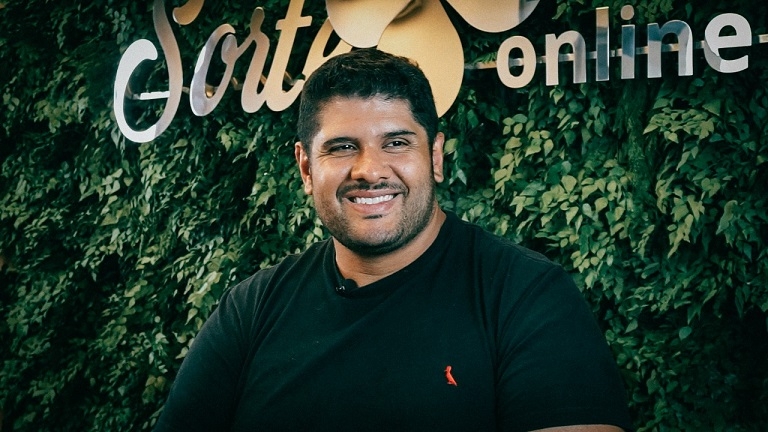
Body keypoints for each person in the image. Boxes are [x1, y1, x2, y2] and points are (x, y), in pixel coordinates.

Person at [153, 48, 633, 432]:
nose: (370, 170)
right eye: (342, 147)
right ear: (306, 168)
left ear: (436, 156)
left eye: (397, 143)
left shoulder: (525, 296)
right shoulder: (252, 308)